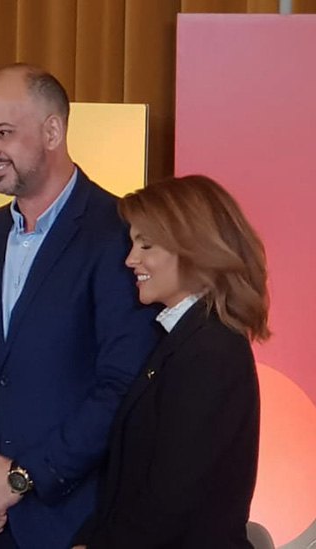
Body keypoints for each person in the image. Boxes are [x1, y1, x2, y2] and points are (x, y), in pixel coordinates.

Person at [0, 63, 159, 548]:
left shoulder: (118, 232)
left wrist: (20, 479)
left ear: (53, 131)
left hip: (77, 525)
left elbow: (122, 385)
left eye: (2, 133)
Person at [75, 175, 267, 548]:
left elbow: (171, 496)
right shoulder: (181, 341)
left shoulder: (210, 351)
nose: (131, 260)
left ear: (195, 248)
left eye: (145, 245)